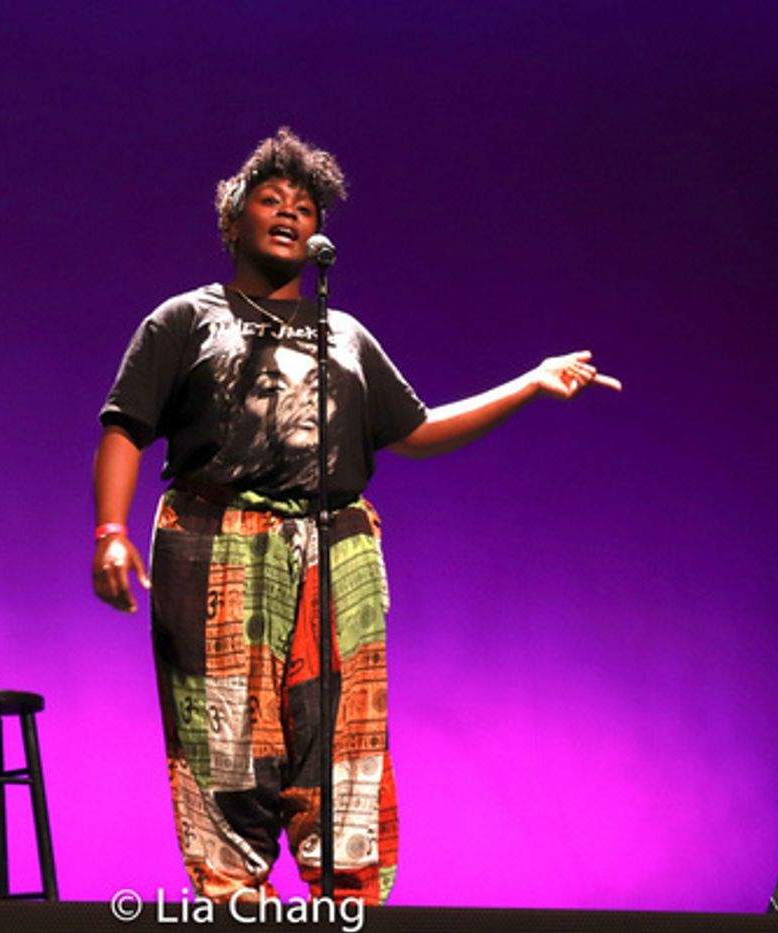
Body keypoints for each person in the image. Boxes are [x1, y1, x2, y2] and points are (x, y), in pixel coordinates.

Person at [92, 128, 620, 906]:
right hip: (216, 540)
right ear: (231, 221)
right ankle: (236, 895)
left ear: (319, 234)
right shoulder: (184, 320)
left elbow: (416, 433)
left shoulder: (345, 335)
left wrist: (529, 383)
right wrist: (110, 531)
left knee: (341, 734)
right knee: (226, 733)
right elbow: (126, 425)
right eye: (269, 200)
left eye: (304, 207)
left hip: (335, 546)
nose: (288, 214)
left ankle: (347, 902)